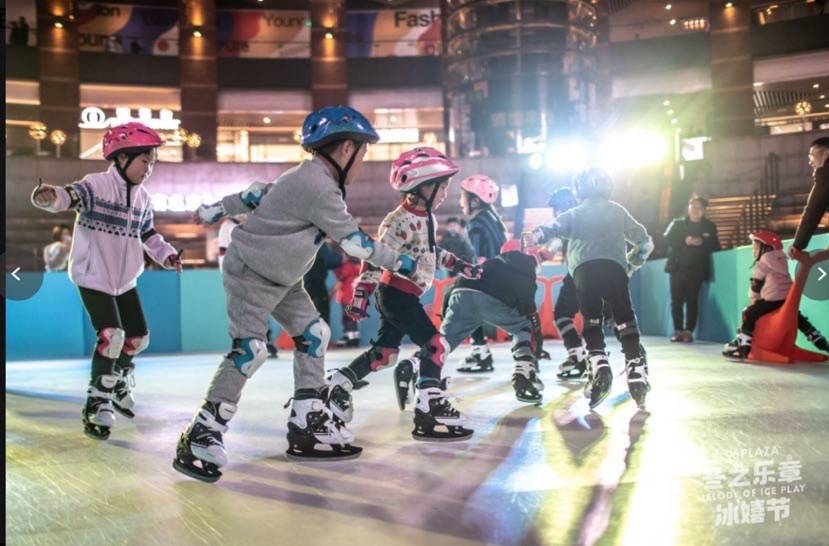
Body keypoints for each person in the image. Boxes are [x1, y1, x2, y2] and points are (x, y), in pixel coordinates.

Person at [173, 106, 417, 481]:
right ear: (346, 148)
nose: (363, 162)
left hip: (284, 278)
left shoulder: (310, 177)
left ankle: (307, 421)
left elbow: (257, 194)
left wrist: (216, 209)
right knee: (250, 351)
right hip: (251, 271)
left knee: (314, 335)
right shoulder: (318, 185)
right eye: (363, 153)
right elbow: (354, 243)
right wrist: (399, 262)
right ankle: (201, 432)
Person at [31, 122, 182, 439]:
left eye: (152, 163)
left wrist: (166, 254)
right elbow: (69, 196)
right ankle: (97, 402)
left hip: (124, 280)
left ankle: (119, 379)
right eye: (145, 162)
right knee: (112, 336)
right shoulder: (96, 185)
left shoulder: (142, 200)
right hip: (93, 275)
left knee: (138, 339)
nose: (149, 170)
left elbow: (149, 235)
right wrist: (50, 197)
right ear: (123, 158)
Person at [325, 147, 481, 442]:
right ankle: (428, 410)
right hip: (396, 294)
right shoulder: (397, 221)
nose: (446, 193)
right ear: (424, 187)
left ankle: (340, 381)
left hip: (404, 295)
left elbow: (431, 252)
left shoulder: (426, 218)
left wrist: (459, 265)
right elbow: (374, 256)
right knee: (435, 345)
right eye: (442, 187)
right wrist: (362, 292)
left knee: (385, 354)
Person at [524, 166, 654, 409]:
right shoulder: (618, 211)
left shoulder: (575, 213)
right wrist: (630, 265)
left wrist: (536, 236)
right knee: (624, 318)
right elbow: (644, 243)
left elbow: (552, 228)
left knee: (591, 320)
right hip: (615, 269)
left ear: (578, 190)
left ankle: (598, 364)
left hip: (583, 271)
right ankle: (636, 368)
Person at [396, 239, 548, 407]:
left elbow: (455, 288)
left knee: (443, 344)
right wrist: (536, 344)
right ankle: (523, 374)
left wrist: (447, 314)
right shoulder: (526, 266)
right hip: (491, 300)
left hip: (460, 293)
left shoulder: (491, 263)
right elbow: (528, 308)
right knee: (522, 327)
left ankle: (411, 364)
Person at [723, 231, 828, 359]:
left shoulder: (762, 262)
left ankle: (744, 343)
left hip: (772, 299)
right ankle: (816, 337)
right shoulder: (781, 259)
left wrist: (754, 297)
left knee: (748, 313)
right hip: (785, 298)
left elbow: (756, 284)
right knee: (796, 317)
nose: (753, 250)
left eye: (756, 247)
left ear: (766, 248)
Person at [458, 174, 508, 373]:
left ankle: (480, 352)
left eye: (463, 197)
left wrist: (472, 276)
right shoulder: (495, 219)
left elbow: (480, 258)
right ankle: (482, 351)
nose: (461, 202)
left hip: (491, 276)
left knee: (461, 302)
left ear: (475, 201)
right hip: (505, 275)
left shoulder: (476, 223)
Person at [545, 187, 590, 379]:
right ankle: (634, 356)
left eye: (557, 208)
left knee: (563, 314)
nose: (556, 213)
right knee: (612, 316)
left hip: (582, 273)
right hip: (595, 272)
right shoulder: (586, 219)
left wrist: (540, 252)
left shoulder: (571, 222)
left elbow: (553, 246)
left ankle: (578, 356)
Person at [663, 195, 720, 342]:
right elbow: (665, 239)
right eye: (694, 207)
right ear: (688, 208)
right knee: (676, 301)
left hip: (697, 270)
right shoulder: (677, 224)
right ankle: (677, 331)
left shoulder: (709, 226)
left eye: (700, 208)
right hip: (676, 268)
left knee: (692, 301)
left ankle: (688, 331)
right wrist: (684, 240)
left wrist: (702, 241)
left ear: (704, 210)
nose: (696, 210)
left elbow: (716, 246)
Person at [789, 137, 829, 262]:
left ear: (827, 154)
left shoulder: (826, 176)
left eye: (812, 155)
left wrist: (797, 245)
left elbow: (812, 212)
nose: (810, 162)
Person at [304, 241, 343, 327]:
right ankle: (322, 336)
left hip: (305, 285)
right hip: (317, 284)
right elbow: (333, 260)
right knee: (322, 311)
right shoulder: (319, 245)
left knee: (307, 312)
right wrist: (343, 256)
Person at [334, 254, 363, 347]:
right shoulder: (359, 266)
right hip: (355, 296)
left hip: (346, 297)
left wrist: (331, 292)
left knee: (347, 317)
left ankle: (350, 337)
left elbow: (341, 278)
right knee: (352, 317)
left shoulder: (347, 266)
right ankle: (354, 337)